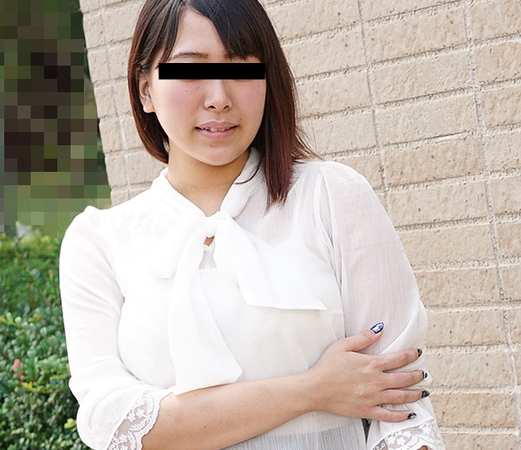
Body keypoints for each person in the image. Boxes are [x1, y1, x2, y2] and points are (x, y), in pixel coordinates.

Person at [59, 0, 445, 449]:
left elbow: (401, 412)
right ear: (146, 90)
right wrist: (313, 390)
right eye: (191, 70)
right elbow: (111, 423)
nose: (219, 97)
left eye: (242, 68)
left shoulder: (331, 195)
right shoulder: (100, 242)